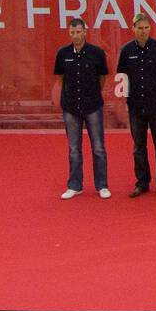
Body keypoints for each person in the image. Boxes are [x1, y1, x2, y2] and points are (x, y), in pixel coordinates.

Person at [116, 13, 156, 198]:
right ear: (133, 29)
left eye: (146, 28)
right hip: (135, 106)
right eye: (139, 28)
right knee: (138, 147)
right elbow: (122, 77)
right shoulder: (125, 51)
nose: (143, 31)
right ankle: (142, 183)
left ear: (150, 28)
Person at [54, 18, 110, 199]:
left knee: (99, 147)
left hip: (93, 105)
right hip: (71, 107)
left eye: (78, 32)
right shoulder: (62, 54)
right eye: (72, 32)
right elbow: (61, 79)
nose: (75, 36)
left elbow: (102, 78)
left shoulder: (97, 53)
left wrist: (93, 94)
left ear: (85, 32)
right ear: (69, 33)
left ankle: (102, 185)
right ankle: (75, 185)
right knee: (74, 149)